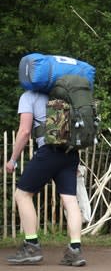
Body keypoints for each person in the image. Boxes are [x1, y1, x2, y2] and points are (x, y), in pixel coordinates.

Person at [5, 89, 86, 266]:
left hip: (49, 151)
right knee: (70, 201)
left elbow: (25, 131)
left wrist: (13, 159)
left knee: (22, 195)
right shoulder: (65, 94)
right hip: (70, 153)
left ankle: (32, 246)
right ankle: (75, 251)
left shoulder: (29, 96)